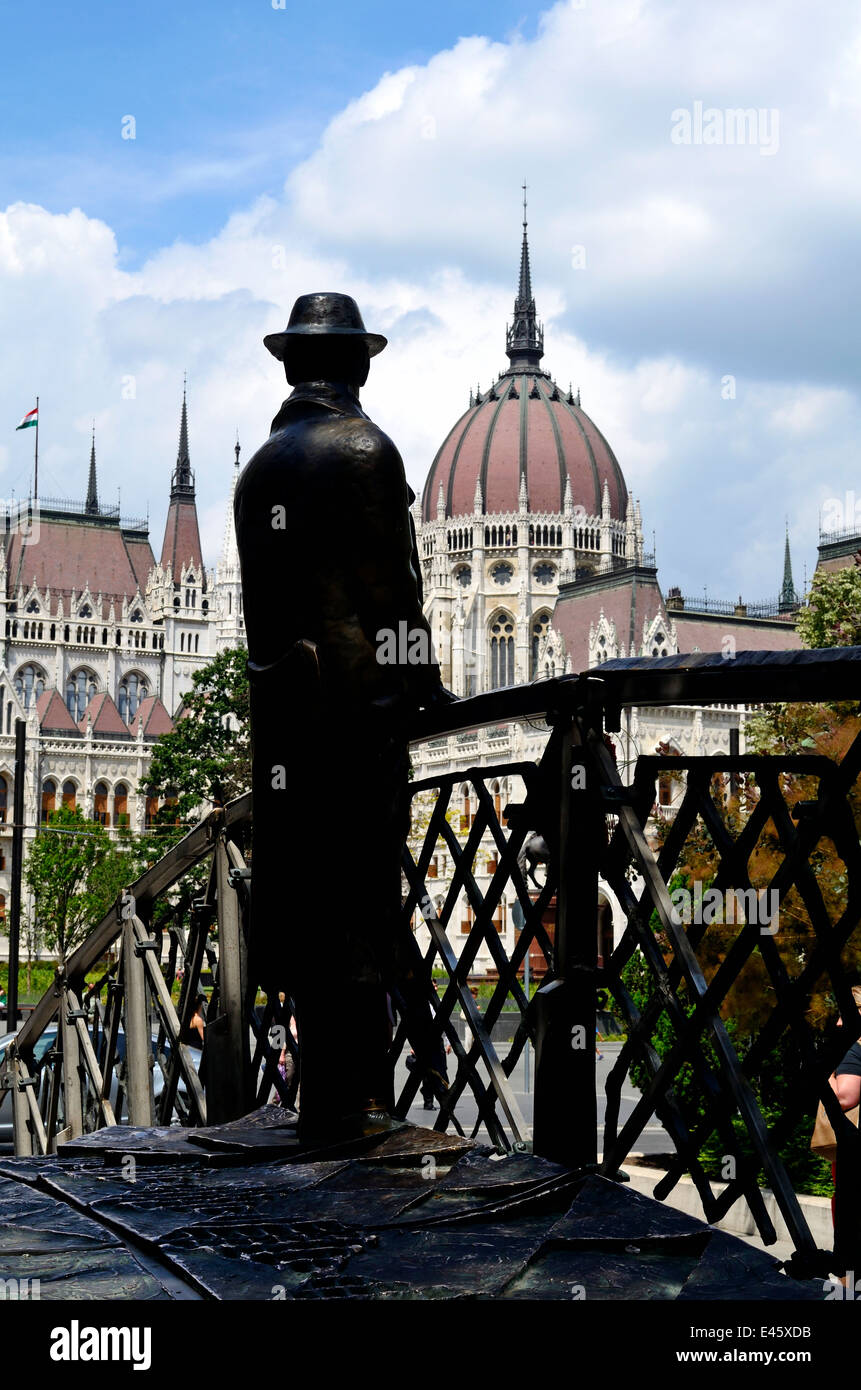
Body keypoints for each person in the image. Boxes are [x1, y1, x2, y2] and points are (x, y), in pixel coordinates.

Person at [234, 293, 454, 1143]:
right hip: (358, 715)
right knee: (361, 893)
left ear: (291, 366)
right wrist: (421, 680)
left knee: (307, 892)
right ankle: (359, 1102)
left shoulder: (260, 470)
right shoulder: (360, 448)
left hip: (287, 720)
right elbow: (389, 589)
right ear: (359, 363)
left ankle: (323, 1094)